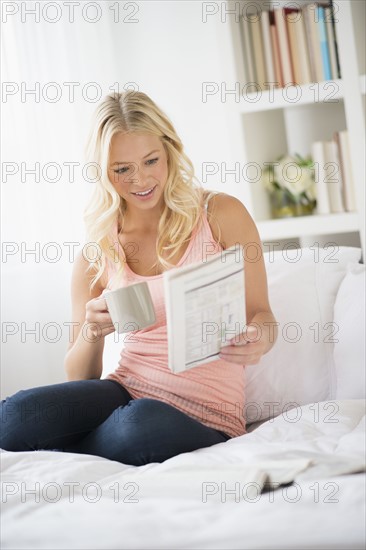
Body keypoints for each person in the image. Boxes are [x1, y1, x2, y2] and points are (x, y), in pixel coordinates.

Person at [0, 91, 278, 465]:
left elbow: (263, 315)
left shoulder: (220, 214)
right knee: (14, 415)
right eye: (122, 169)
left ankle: (71, 453)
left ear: (169, 152)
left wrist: (258, 338)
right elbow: (80, 375)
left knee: (138, 425)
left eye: (151, 161)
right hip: (124, 389)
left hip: (204, 413)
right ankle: (90, 447)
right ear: (104, 172)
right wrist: (92, 330)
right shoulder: (98, 248)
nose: (141, 179)